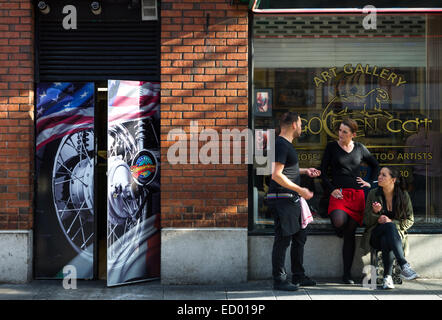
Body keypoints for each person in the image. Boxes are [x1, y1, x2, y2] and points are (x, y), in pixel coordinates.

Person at [320, 118, 379, 284]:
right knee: (339, 222)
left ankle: (346, 275)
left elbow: (375, 165)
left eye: (344, 132)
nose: (340, 134)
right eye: (339, 130)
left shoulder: (360, 148)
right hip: (338, 194)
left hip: (357, 195)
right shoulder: (331, 147)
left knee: (350, 235)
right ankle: (339, 229)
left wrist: (370, 182)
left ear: (353, 134)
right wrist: (332, 190)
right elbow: (323, 173)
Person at [267, 111, 321, 291]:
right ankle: (279, 279)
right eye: (301, 123)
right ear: (294, 125)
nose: (302, 127)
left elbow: (286, 170)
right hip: (283, 200)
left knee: (299, 238)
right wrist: (301, 190)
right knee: (283, 240)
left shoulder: (285, 145)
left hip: (291, 200)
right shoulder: (282, 144)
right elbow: (276, 175)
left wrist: (305, 171)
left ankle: (298, 275)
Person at [361, 166, 418, 289]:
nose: (379, 177)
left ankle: (387, 278)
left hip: (393, 237)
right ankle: (403, 265)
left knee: (387, 238)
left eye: (384, 175)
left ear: (393, 180)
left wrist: (391, 222)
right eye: (379, 174)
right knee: (388, 228)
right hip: (375, 234)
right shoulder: (373, 193)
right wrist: (377, 215)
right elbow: (365, 219)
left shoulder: (403, 195)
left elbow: (410, 219)